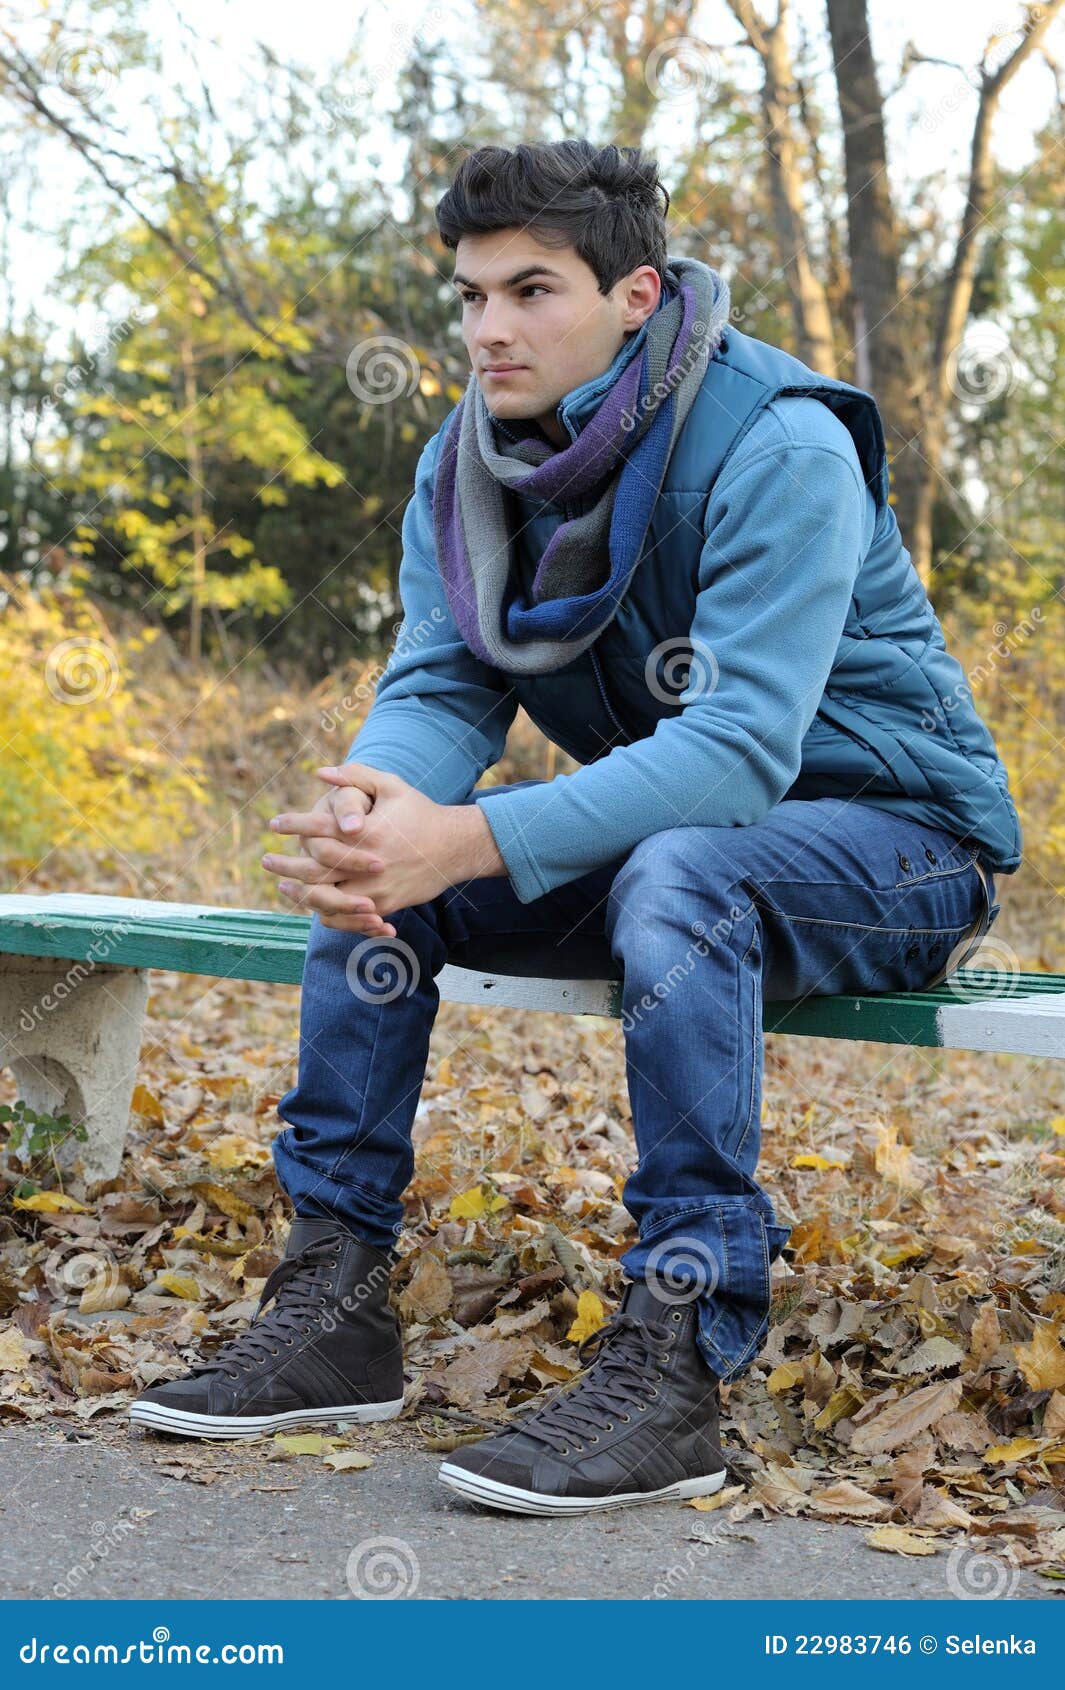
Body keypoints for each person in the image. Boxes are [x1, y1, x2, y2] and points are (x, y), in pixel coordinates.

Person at [130, 140, 1020, 1516]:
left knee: (671, 870)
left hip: (894, 842)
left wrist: (472, 839)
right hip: (696, 846)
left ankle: (675, 1359)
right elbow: (443, 682)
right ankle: (333, 1300)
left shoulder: (776, 440)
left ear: (633, 294)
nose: (488, 327)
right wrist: (372, 806)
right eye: (471, 295)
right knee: (390, 876)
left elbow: (733, 748)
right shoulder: (471, 458)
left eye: (529, 289)